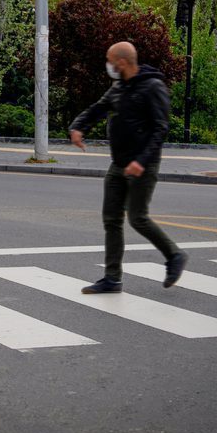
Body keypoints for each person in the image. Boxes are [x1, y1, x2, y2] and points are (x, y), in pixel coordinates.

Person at [68, 41, 187, 294]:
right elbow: (98, 109)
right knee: (111, 219)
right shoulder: (119, 87)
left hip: (142, 165)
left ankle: (174, 255)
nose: (108, 65)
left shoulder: (153, 87)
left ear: (122, 62)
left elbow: (160, 128)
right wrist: (78, 127)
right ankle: (112, 278)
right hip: (119, 164)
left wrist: (141, 161)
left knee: (137, 218)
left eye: (110, 60)